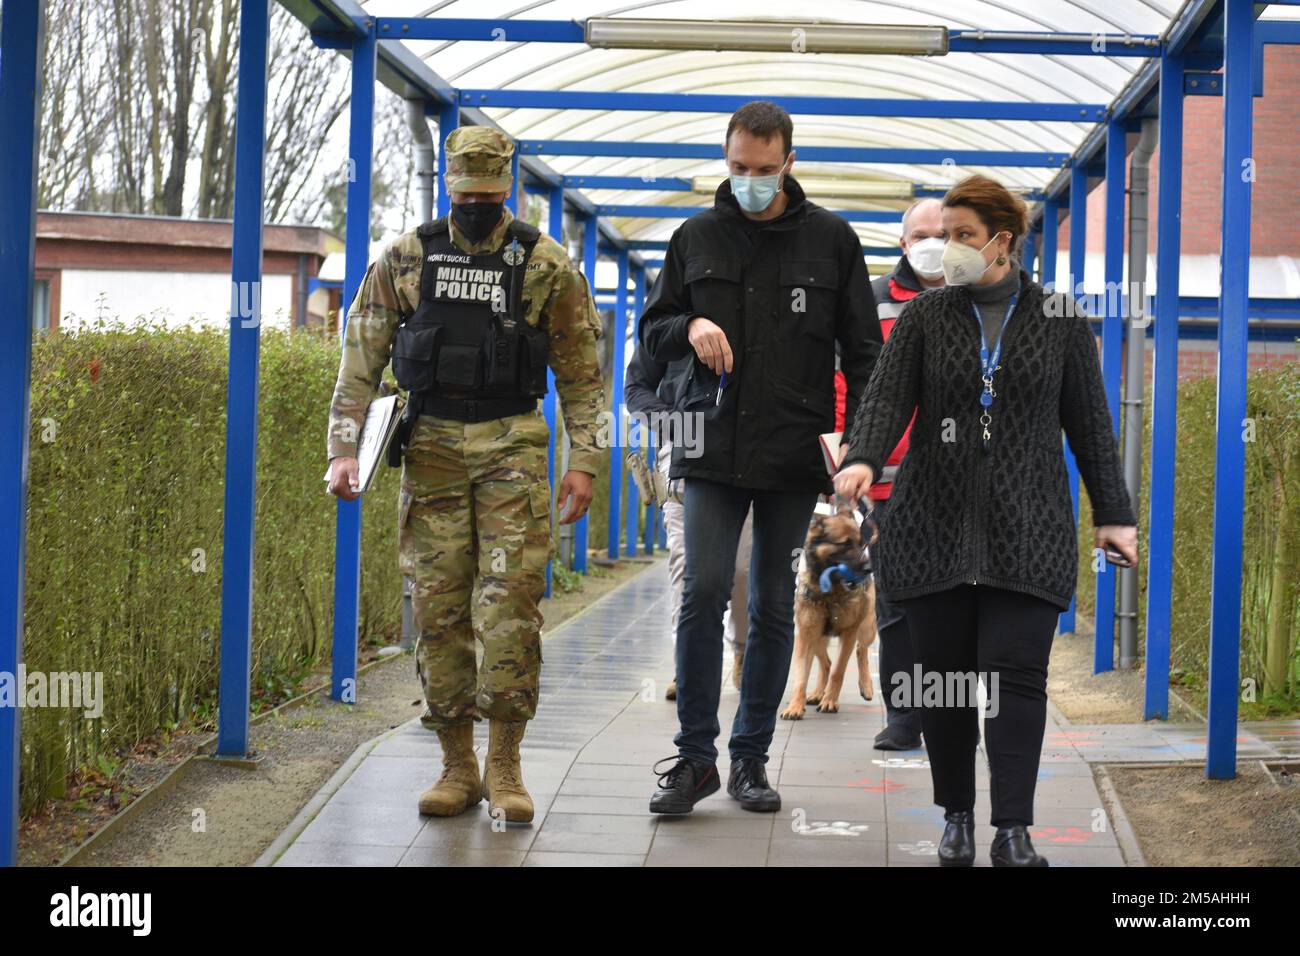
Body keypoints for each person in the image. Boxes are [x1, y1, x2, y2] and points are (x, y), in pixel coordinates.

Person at [834, 174, 1137, 866]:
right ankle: (957, 818)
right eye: (941, 235)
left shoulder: (1059, 316)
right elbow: (883, 402)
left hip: (1029, 529)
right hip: (929, 526)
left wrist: (1114, 515)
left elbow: (1090, 424)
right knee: (942, 679)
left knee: (1015, 676)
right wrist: (861, 459)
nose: (947, 249)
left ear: (1003, 240)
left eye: (961, 236)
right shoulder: (923, 317)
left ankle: (1013, 830)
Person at [325, 126, 605, 825]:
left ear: (507, 185)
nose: (476, 203)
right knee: (440, 607)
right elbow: (360, 356)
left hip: (513, 446)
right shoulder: (406, 257)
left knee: (509, 605)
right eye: (465, 192)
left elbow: (581, 372)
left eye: (488, 192)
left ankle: (505, 763)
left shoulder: (547, 265)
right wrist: (343, 446)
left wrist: (588, 463)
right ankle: (456, 764)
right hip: (432, 451)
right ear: (448, 186)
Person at [639, 100, 882, 815]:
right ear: (727, 158)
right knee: (704, 591)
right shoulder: (696, 237)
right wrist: (691, 323)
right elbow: (652, 335)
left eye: (764, 170)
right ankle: (693, 759)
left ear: (790, 164)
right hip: (710, 449)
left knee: (775, 603)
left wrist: (860, 449)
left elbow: (865, 354)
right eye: (739, 167)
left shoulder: (834, 242)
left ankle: (749, 761)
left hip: (791, 456)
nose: (750, 180)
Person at [624, 345, 752, 700]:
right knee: (687, 564)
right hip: (684, 448)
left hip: (746, 451)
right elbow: (635, 388)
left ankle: (741, 645)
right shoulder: (669, 313)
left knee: (741, 569)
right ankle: (689, 668)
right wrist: (678, 425)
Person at [867, 196, 947, 752]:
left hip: (964, 478)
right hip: (891, 479)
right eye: (920, 235)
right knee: (895, 600)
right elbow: (850, 380)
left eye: (942, 232)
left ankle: (947, 708)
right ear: (902, 243)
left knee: (952, 598)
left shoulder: (984, 297)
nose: (931, 243)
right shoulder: (873, 301)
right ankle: (904, 715)